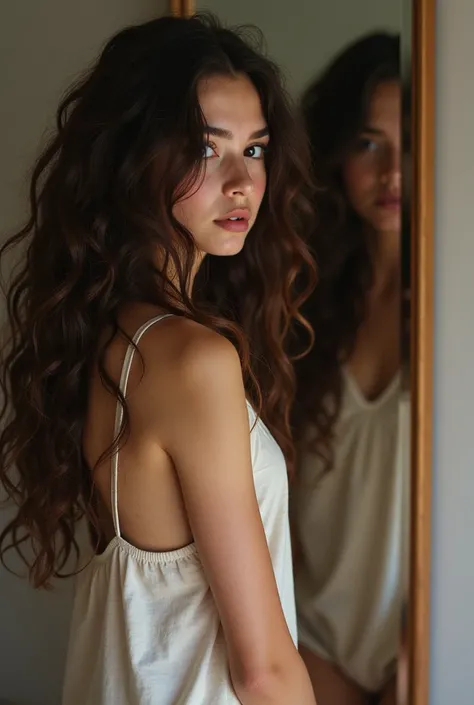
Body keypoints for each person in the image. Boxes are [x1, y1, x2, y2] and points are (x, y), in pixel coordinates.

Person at [0, 14, 318, 705]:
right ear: (135, 158)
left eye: (256, 150)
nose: (242, 182)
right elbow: (262, 670)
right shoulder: (191, 359)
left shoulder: (115, 338)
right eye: (206, 149)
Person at [291, 32, 406, 705]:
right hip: (309, 645)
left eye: (410, 140)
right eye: (368, 143)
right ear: (336, 154)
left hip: (433, 639)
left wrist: (433, 645)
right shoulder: (301, 303)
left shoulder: (458, 308)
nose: (393, 170)